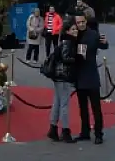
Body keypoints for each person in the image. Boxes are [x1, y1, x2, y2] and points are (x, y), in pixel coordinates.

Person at [73, 14, 108, 145]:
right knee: (82, 107)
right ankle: (85, 132)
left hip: (91, 75)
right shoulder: (74, 34)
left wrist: (105, 42)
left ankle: (98, 134)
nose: (81, 24)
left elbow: (103, 45)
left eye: (82, 22)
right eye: (78, 22)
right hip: (79, 76)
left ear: (86, 22)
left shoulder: (93, 34)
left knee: (96, 108)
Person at [43, 15, 78, 144]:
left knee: (57, 102)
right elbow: (65, 58)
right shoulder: (69, 42)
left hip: (57, 76)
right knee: (64, 104)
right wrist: (76, 59)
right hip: (64, 76)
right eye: (73, 29)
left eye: (76, 29)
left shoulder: (63, 41)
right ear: (67, 31)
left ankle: (53, 128)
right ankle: (65, 131)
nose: (75, 31)